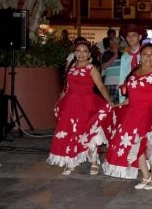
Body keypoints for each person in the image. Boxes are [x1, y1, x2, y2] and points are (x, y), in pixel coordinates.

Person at [99, 44, 152, 189]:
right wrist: (119, 106)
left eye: (151, 55)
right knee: (134, 144)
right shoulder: (134, 73)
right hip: (133, 114)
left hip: (150, 114)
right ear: (140, 57)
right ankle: (145, 175)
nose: (148, 57)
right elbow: (131, 97)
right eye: (145, 54)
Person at [48, 39, 113, 175]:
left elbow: (100, 86)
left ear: (89, 54)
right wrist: (59, 101)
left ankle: (94, 162)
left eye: (84, 51)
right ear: (74, 53)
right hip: (70, 105)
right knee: (71, 133)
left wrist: (109, 101)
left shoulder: (91, 68)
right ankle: (71, 161)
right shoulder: (71, 67)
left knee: (88, 132)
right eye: (78, 51)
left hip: (86, 105)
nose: (81, 54)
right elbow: (66, 88)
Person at [118, 24, 147, 104]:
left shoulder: (147, 53)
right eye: (128, 36)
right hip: (129, 93)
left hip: (144, 92)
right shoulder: (124, 56)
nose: (130, 38)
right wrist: (122, 99)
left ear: (140, 37)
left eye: (134, 35)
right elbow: (122, 78)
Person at [101, 36, 123, 105]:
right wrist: (114, 57)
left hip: (121, 82)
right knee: (111, 104)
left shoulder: (123, 54)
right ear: (110, 44)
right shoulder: (106, 53)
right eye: (114, 43)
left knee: (120, 104)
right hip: (110, 82)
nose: (116, 45)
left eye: (118, 43)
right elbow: (104, 67)